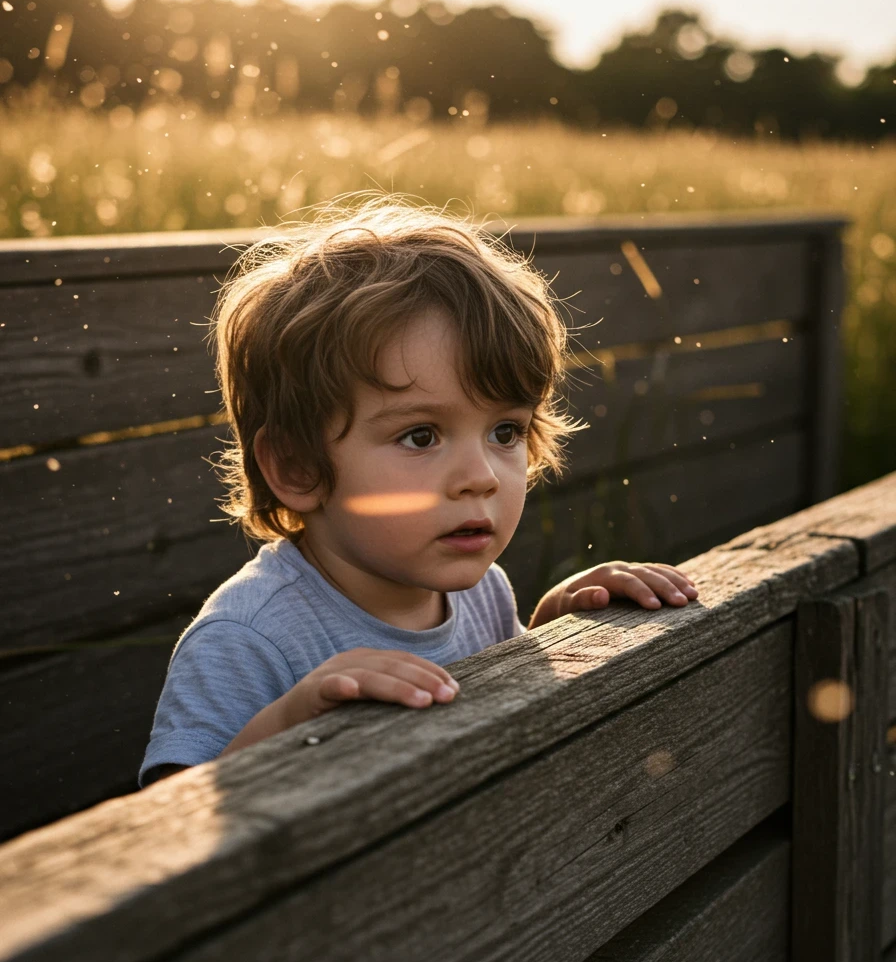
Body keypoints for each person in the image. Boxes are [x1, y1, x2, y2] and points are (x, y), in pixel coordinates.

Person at [138, 194, 698, 788]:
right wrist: (288, 727)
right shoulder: (248, 641)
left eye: (505, 431)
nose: (480, 475)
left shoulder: (482, 590)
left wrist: (554, 639)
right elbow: (170, 833)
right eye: (421, 435)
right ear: (298, 468)